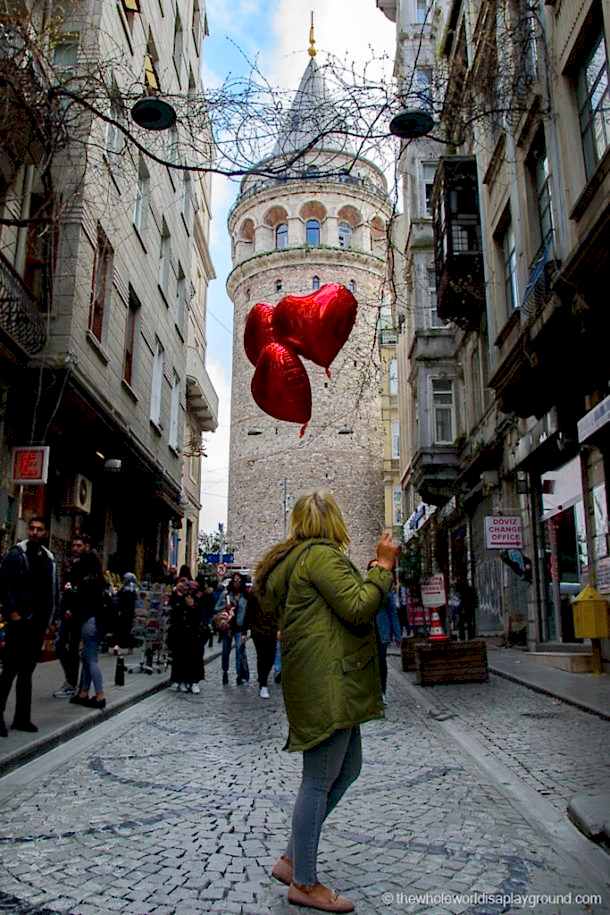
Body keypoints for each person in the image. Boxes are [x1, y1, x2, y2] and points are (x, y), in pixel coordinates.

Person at [255, 491, 399, 913]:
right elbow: (357, 607)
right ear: (333, 520)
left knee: (348, 768)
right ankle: (303, 881)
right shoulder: (320, 556)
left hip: (328, 678)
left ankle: (291, 858)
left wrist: (371, 572)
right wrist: (384, 568)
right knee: (317, 781)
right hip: (328, 682)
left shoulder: (297, 559)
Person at [0, 516, 58, 737]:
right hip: (19, 622)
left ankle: (22, 718)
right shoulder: (16, 554)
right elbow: (4, 586)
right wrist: (12, 613)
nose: (34, 532)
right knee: (9, 671)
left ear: (45, 532)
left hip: (37, 623)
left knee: (27, 672)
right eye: (32, 529)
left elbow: (52, 591)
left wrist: (51, 620)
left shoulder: (48, 558)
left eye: (39, 529)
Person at [68, 543, 107, 710]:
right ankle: (84, 692)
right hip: (99, 622)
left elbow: (79, 602)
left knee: (91, 659)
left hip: (88, 621)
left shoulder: (86, 582)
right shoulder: (100, 580)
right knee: (87, 657)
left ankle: (100, 695)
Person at [53, 537, 89, 698]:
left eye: (79, 545)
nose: (75, 548)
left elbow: (81, 590)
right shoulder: (69, 564)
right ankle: (71, 678)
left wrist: (72, 608)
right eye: (74, 545)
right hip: (66, 612)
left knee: (72, 647)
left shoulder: (86, 565)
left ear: (85, 547)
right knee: (60, 645)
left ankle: (71, 682)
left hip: (78, 613)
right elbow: (66, 588)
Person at [371, 574, 401, 705]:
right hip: (368, 633)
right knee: (371, 663)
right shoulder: (366, 590)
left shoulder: (387, 593)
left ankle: (382, 692)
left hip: (382, 632)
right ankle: (373, 693)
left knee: (381, 662)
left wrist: (398, 634)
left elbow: (393, 614)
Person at [246, 587, 276, 699]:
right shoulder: (255, 593)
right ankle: (263, 684)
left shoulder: (275, 592)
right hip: (258, 630)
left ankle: (263, 677)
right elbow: (249, 611)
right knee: (262, 656)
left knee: (271, 657)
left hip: (272, 629)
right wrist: (248, 629)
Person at [113, 572, 137, 651]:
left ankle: (118, 645)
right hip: (129, 612)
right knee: (128, 629)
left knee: (119, 629)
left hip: (123, 612)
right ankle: (129, 646)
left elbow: (119, 600)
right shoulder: (133, 590)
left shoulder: (125, 590)